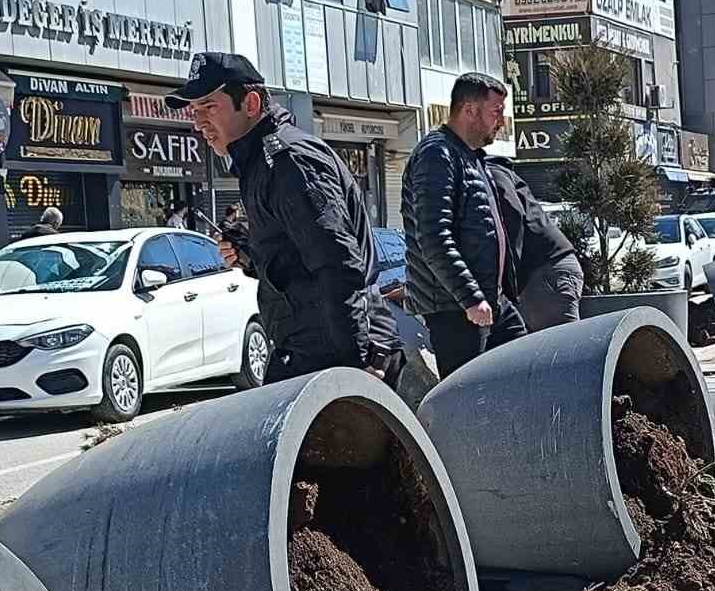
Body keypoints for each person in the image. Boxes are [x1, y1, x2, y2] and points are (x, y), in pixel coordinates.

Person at [167, 52, 399, 385]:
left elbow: (338, 264)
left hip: (340, 352)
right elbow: (295, 263)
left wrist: (357, 363)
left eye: (209, 107)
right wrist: (249, 254)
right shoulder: (260, 163)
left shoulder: (289, 161)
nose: (198, 122)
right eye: (194, 110)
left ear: (250, 103)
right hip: (310, 347)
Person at [402, 73, 527, 377]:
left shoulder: (470, 157)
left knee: (525, 367)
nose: (501, 121)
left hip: (489, 300)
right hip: (456, 308)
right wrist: (470, 298)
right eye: (496, 111)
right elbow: (434, 237)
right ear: (469, 110)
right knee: (469, 392)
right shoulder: (437, 154)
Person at [488, 157, 584, 332]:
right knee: (554, 343)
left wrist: (508, 279)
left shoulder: (492, 173)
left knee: (561, 344)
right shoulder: (496, 172)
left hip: (544, 270)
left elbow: (512, 218)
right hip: (545, 270)